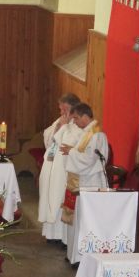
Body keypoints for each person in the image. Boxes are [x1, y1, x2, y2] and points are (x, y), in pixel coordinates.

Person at [61, 103, 108, 261]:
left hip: (91, 182)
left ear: (85, 116)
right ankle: (74, 255)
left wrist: (71, 152)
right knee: (78, 219)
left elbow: (89, 160)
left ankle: (83, 258)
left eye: (76, 118)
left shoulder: (96, 135)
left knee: (85, 220)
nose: (74, 122)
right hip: (83, 180)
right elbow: (82, 153)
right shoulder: (87, 132)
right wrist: (72, 150)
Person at [37, 93, 80, 243]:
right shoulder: (61, 121)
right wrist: (58, 127)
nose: (62, 113)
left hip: (64, 169)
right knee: (49, 196)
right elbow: (48, 139)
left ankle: (62, 236)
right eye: (61, 109)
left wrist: (65, 128)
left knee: (59, 198)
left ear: (74, 109)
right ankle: (51, 234)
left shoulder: (77, 124)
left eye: (65, 109)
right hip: (51, 165)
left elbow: (73, 144)